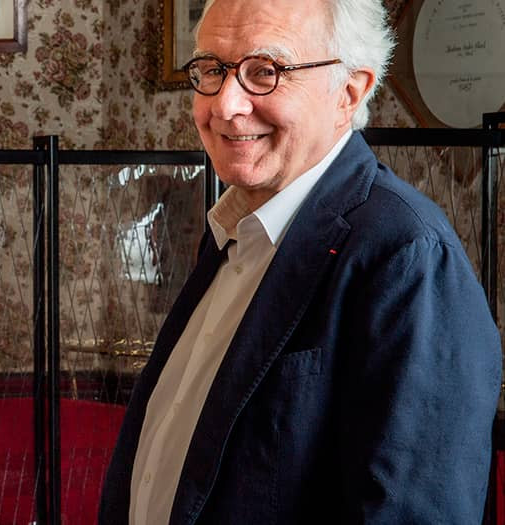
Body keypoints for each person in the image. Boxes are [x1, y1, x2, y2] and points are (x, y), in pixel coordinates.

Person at [98, 0, 502, 523]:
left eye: (265, 71)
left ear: (349, 92)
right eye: (212, 70)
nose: (224, 106)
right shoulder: (232, 231)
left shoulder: (408, 258)